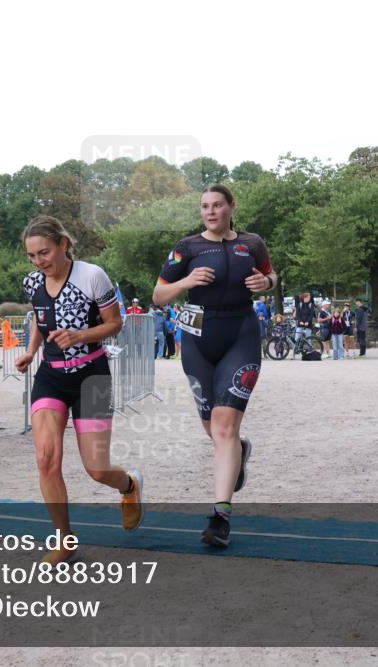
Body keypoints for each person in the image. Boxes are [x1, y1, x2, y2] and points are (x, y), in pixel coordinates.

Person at [152, 184, 277, 548]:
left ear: (231, 207)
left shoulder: (252, 244)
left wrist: (265, 282)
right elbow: (158, 294)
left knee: (223, 429)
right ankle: (240, 450)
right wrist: (187, 281)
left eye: (217, 205)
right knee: (214, 428)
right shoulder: (187, 248)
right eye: (205, 206)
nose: (210, 212)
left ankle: (220, 517)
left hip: (240, 334)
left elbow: (271, 275)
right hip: (197, 340)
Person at [16, 215, 143, 566]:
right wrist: (30, 351)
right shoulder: (32, 283)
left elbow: (114, 324)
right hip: (50, 377)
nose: (39, 262)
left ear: (63, 245)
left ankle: (129, 486)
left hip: (92, 376)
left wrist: (79, 336)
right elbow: (41, 322)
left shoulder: (92, 275)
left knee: (97, 469)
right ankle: (65, 542)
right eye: (32, 256)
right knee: (46, 459)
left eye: (44, 252)